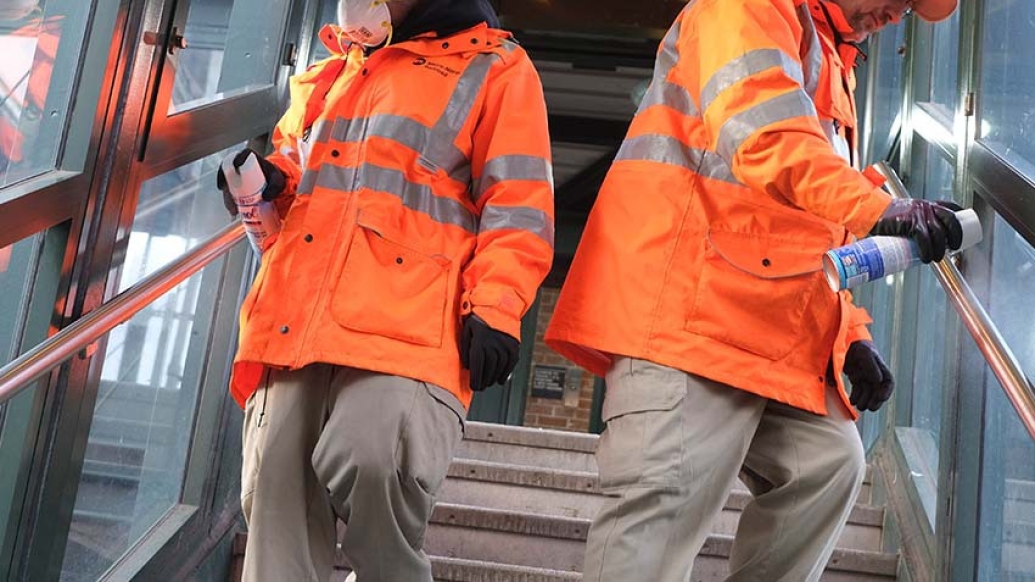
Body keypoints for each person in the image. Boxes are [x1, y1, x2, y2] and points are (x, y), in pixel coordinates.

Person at [544, 0, 959, 580]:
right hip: (687, 310)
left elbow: (808, 229)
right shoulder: (747, 6)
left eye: (913, 8)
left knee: (829, 464)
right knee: (663, 505)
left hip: (761, 323)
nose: (899, 13)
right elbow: (765, 136)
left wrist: (850, 337)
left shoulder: (832, 59)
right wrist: (879, 208)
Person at [216, 0, 554, 580]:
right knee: (274, 488)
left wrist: (497, 305)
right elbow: (303, 172)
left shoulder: (497, 68)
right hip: (298, 317)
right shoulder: (330, 74)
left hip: (409, 323)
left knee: (371, 457)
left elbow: (518, 204)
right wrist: (275, 180)